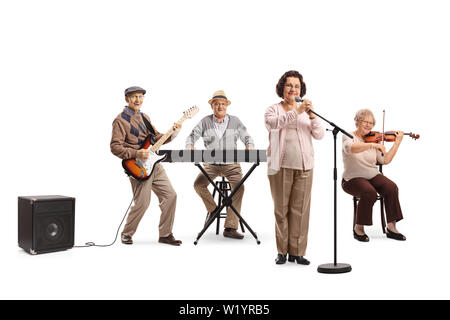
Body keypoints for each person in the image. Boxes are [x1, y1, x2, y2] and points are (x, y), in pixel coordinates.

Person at [264, 70, 325, 265]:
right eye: (289, 85)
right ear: (282, 88)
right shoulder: (273, 109)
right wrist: (296, 112)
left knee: (300, 210)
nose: (293, 89)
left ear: (301, 89)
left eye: (297, 86)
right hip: (279, 166)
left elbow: (320, 134)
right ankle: (282, 251)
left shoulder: (306, 112)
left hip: (305, 166)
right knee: (281, 210)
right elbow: (274, 125)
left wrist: (312, 115)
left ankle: (297, 252)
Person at [110, 86, 183, 246]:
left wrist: (174, 132)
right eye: (134, 97)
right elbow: (115, 147)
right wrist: (136, 154)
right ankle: (126, 233)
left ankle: (165, 234)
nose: (138, 100)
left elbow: (156, 138)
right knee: (143, 203)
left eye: (140, 96)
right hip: (137, 166)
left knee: (171, 195)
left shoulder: (145, 117)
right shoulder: (120, 120)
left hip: (154, 165)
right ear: (126, 99)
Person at [186, 90, 254, 239]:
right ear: (212, 106)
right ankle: (214, 209)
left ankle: (230, 227)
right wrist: (190, 146)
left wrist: (249, 146)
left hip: (232, 165)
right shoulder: (205, 121)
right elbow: (191, 136)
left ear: (227, 106)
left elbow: (247, 137)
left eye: (223, 104)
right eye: (216, 104)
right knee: (198, 184)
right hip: (211, 165)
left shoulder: (235, 121)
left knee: (239, 188)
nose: (220, 107)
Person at [341, 108, 405, 242]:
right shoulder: (348, 136)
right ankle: (358, 228)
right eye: (365, 121)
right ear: (357, 122)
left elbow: (385, 160)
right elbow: (350, 149)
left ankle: (391, 227)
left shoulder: (374, 140)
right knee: (369, 192)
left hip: (372, 175)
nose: (368, 125)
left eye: (371, 123)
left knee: (391, 187)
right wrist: (372, 145)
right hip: (352, 178)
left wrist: (396, 144)